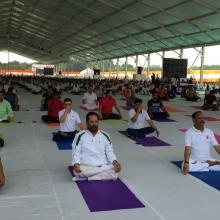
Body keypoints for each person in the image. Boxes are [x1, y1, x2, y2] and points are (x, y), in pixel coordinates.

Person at [72, 111, 121, 181]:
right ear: (87, 123)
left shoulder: (105, 135)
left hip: (101, 165)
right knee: (78, 171)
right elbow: (75, 152)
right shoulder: (80, 135)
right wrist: (76, 164)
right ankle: (100, 174)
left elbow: (110, 152)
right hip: (85, 166)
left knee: (115, 171)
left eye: (96, 122)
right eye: (92, 122)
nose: (94, 124)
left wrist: (115, 162)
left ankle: (87, 178)